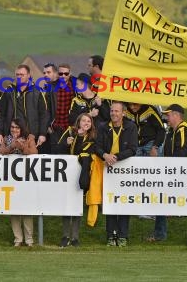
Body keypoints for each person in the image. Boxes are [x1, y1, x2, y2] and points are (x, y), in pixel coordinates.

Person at [148, 104, 187, 243]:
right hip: (175, 174)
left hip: (181, 175)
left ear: (176, 115)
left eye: (168, 115)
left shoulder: (182, 131)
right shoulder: (174, 131)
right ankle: (160, 234)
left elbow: (181, 156)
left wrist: (173, 173)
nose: (166, 118)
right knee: (167, 202)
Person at [95, 101, 137, 247]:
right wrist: (105, 155)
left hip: (124, 169)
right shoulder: (103, 127)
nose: (113, 113)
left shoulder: (131, 126)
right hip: (108, 169)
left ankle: (123, 236)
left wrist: (116, 157)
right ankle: (111, 235)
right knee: (110, 202)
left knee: (124, 202)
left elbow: (133, 149)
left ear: (123, 113)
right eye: (112, 111)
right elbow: (97, 146)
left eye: (117, 111)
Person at [0, 118, 38, 246]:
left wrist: (22, 147)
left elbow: (34, 152)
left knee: (26, 209)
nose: (14, 129)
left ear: (22, 128)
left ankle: (29, 240)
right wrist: (11, 146)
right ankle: (18, 239)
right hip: (11, 180)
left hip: (26, 179)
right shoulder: (6, 138)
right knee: (14, 209)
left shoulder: (29, 137)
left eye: (17, 127)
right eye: (12, 127)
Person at [58, 113, 96, 248]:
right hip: (67, 174)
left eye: (89, 121)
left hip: (82, 175)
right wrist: (65, 143)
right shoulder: (69, 131)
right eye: (84, 120)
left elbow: (87, 153)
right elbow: (58, 150)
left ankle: (75, 237)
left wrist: (77, 139)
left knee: (77, 206)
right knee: (67, 205)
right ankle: (65, 235)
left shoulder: (92, 137)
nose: (86, 123)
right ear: (78, 122)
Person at [0, 65, 48, 151]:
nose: (19, 77)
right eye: (17, 74)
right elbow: (1, 114)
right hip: (11, 136)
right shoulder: (9, 91)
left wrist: (42, 134)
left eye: (22, 75)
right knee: (9, 160)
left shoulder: (37, 92)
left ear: (28, 75)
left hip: (31, 136)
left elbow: (44, 115)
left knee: (29, 160)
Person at [47, 64, 76, 154]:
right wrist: (48, 126)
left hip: (69, 126)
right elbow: (46, 108)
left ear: (70, 74)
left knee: (69, 153)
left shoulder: (75, 88)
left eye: (66, 73)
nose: (63, 75)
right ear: (57, 74)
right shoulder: (51, 87)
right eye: (61, 73)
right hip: (55, 127)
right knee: (54, 153)